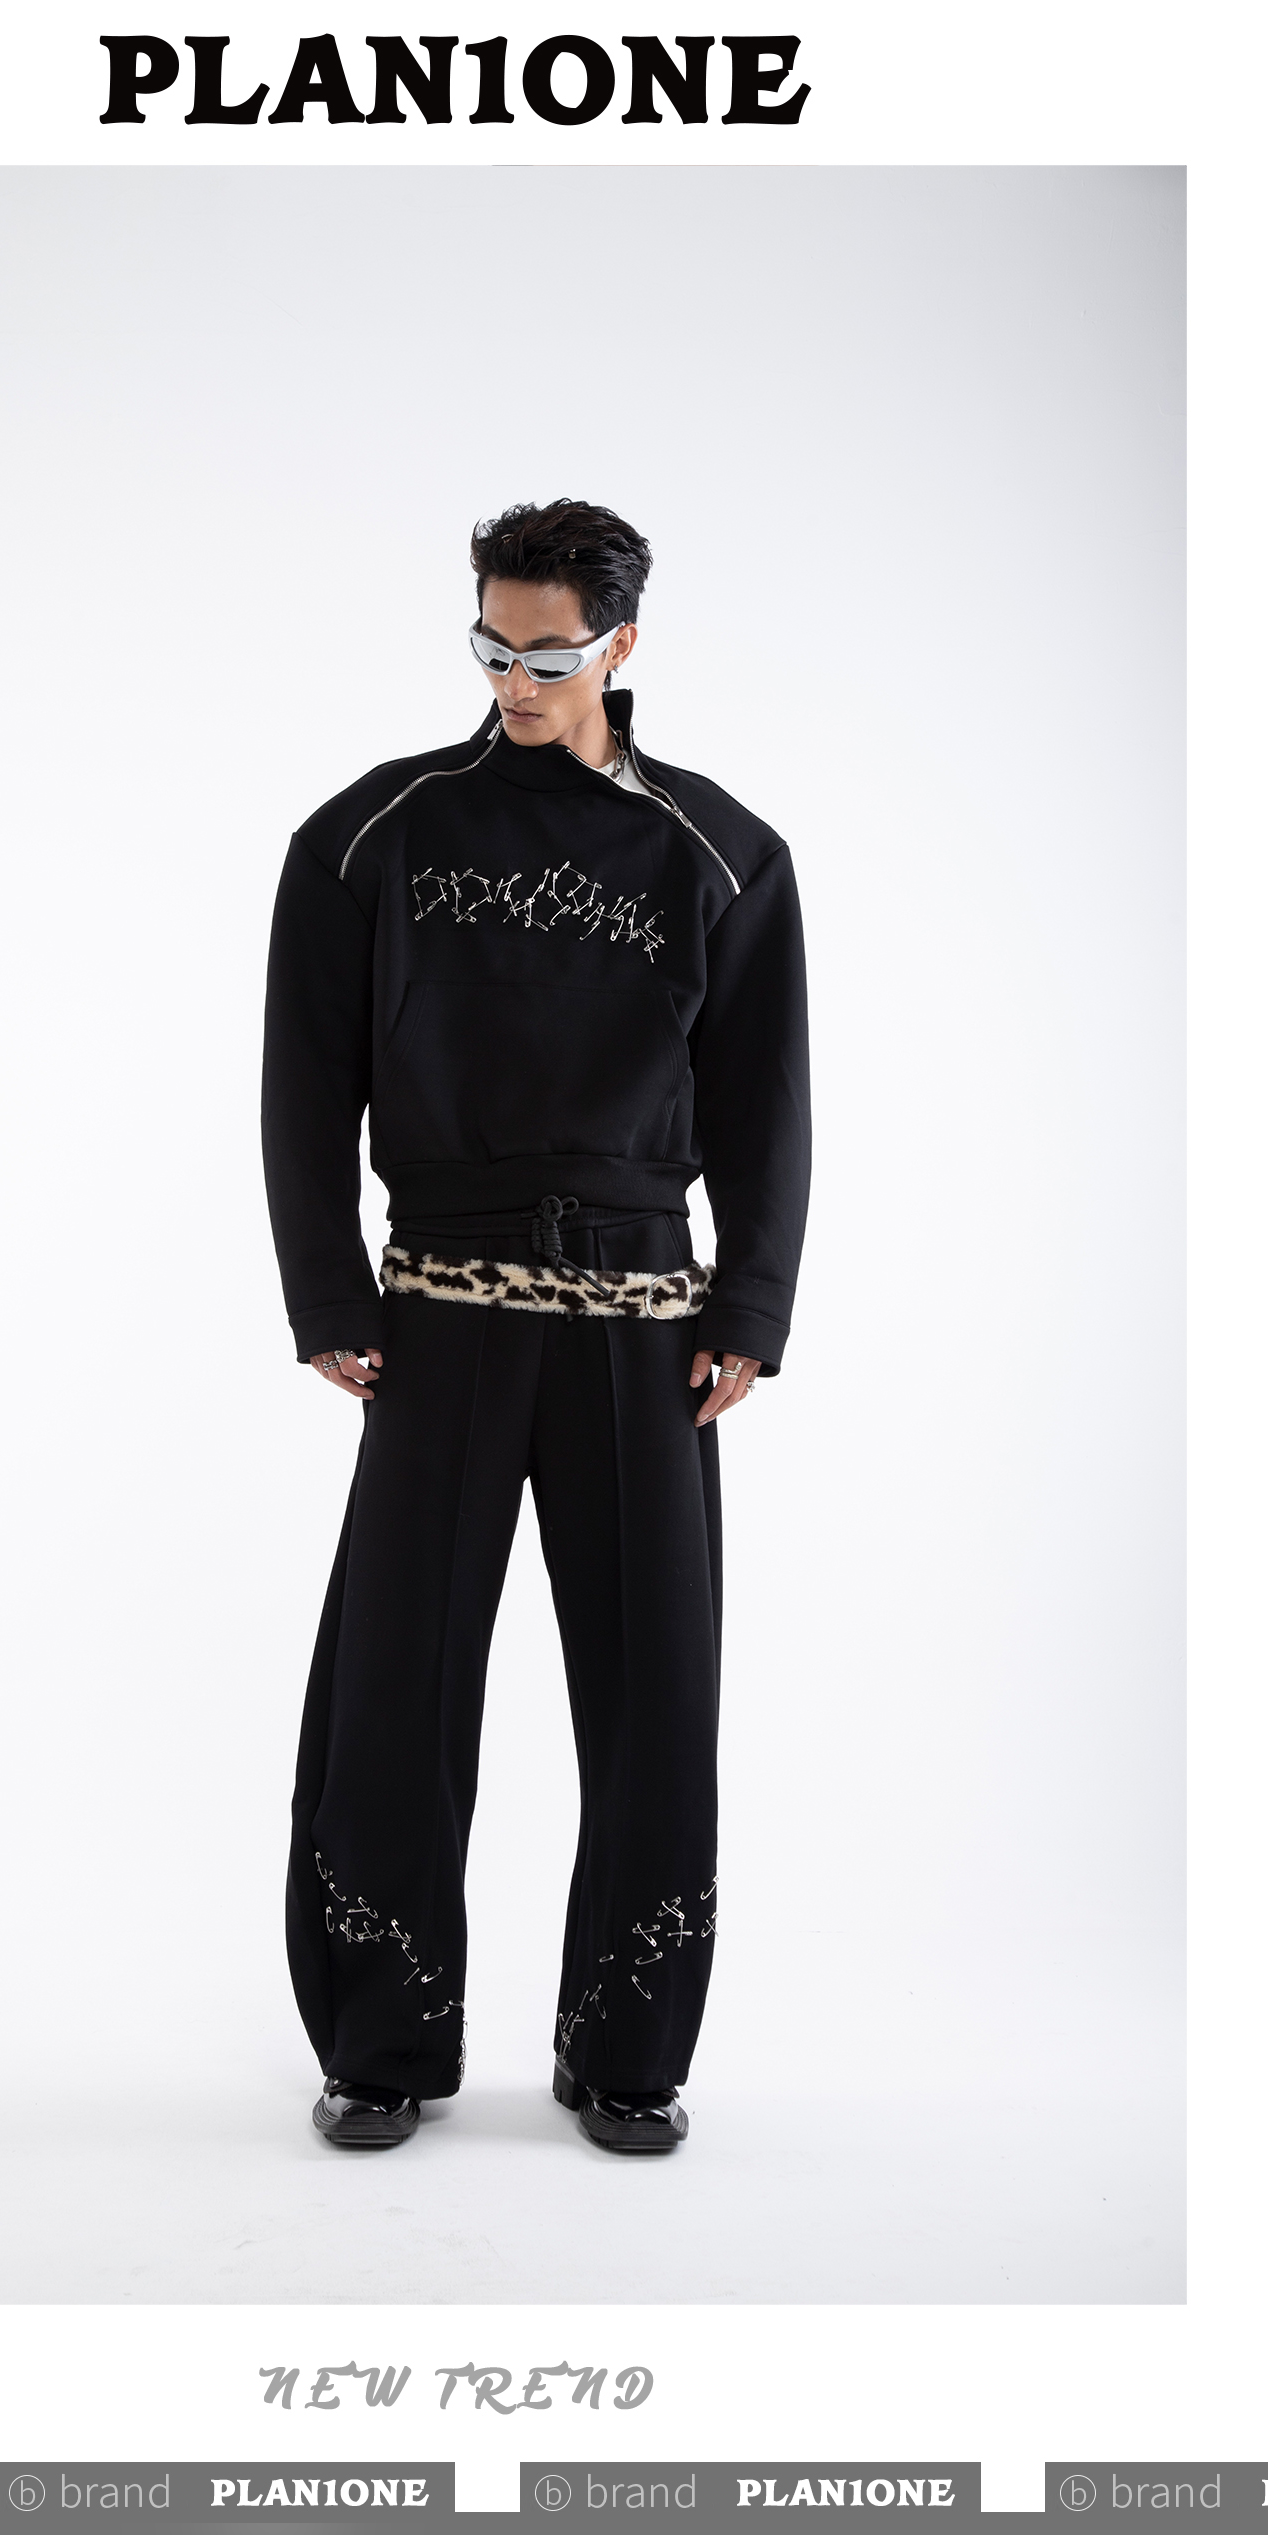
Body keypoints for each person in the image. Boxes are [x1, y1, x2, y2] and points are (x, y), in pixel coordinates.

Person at [260, 498, 811, 2154]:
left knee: (655, 1690)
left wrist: (753, 1305)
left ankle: (626, 2052)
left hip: (647, 1323)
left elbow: (767, 1103)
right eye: (492, 646)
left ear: (621, 643)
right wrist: (324, 1289)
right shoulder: (369, 836)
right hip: (436, 1308)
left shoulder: (721, 852)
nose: (515, 679)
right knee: (397, 1680)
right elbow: (304, 1085)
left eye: (549, 653)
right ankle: (382, 2044)